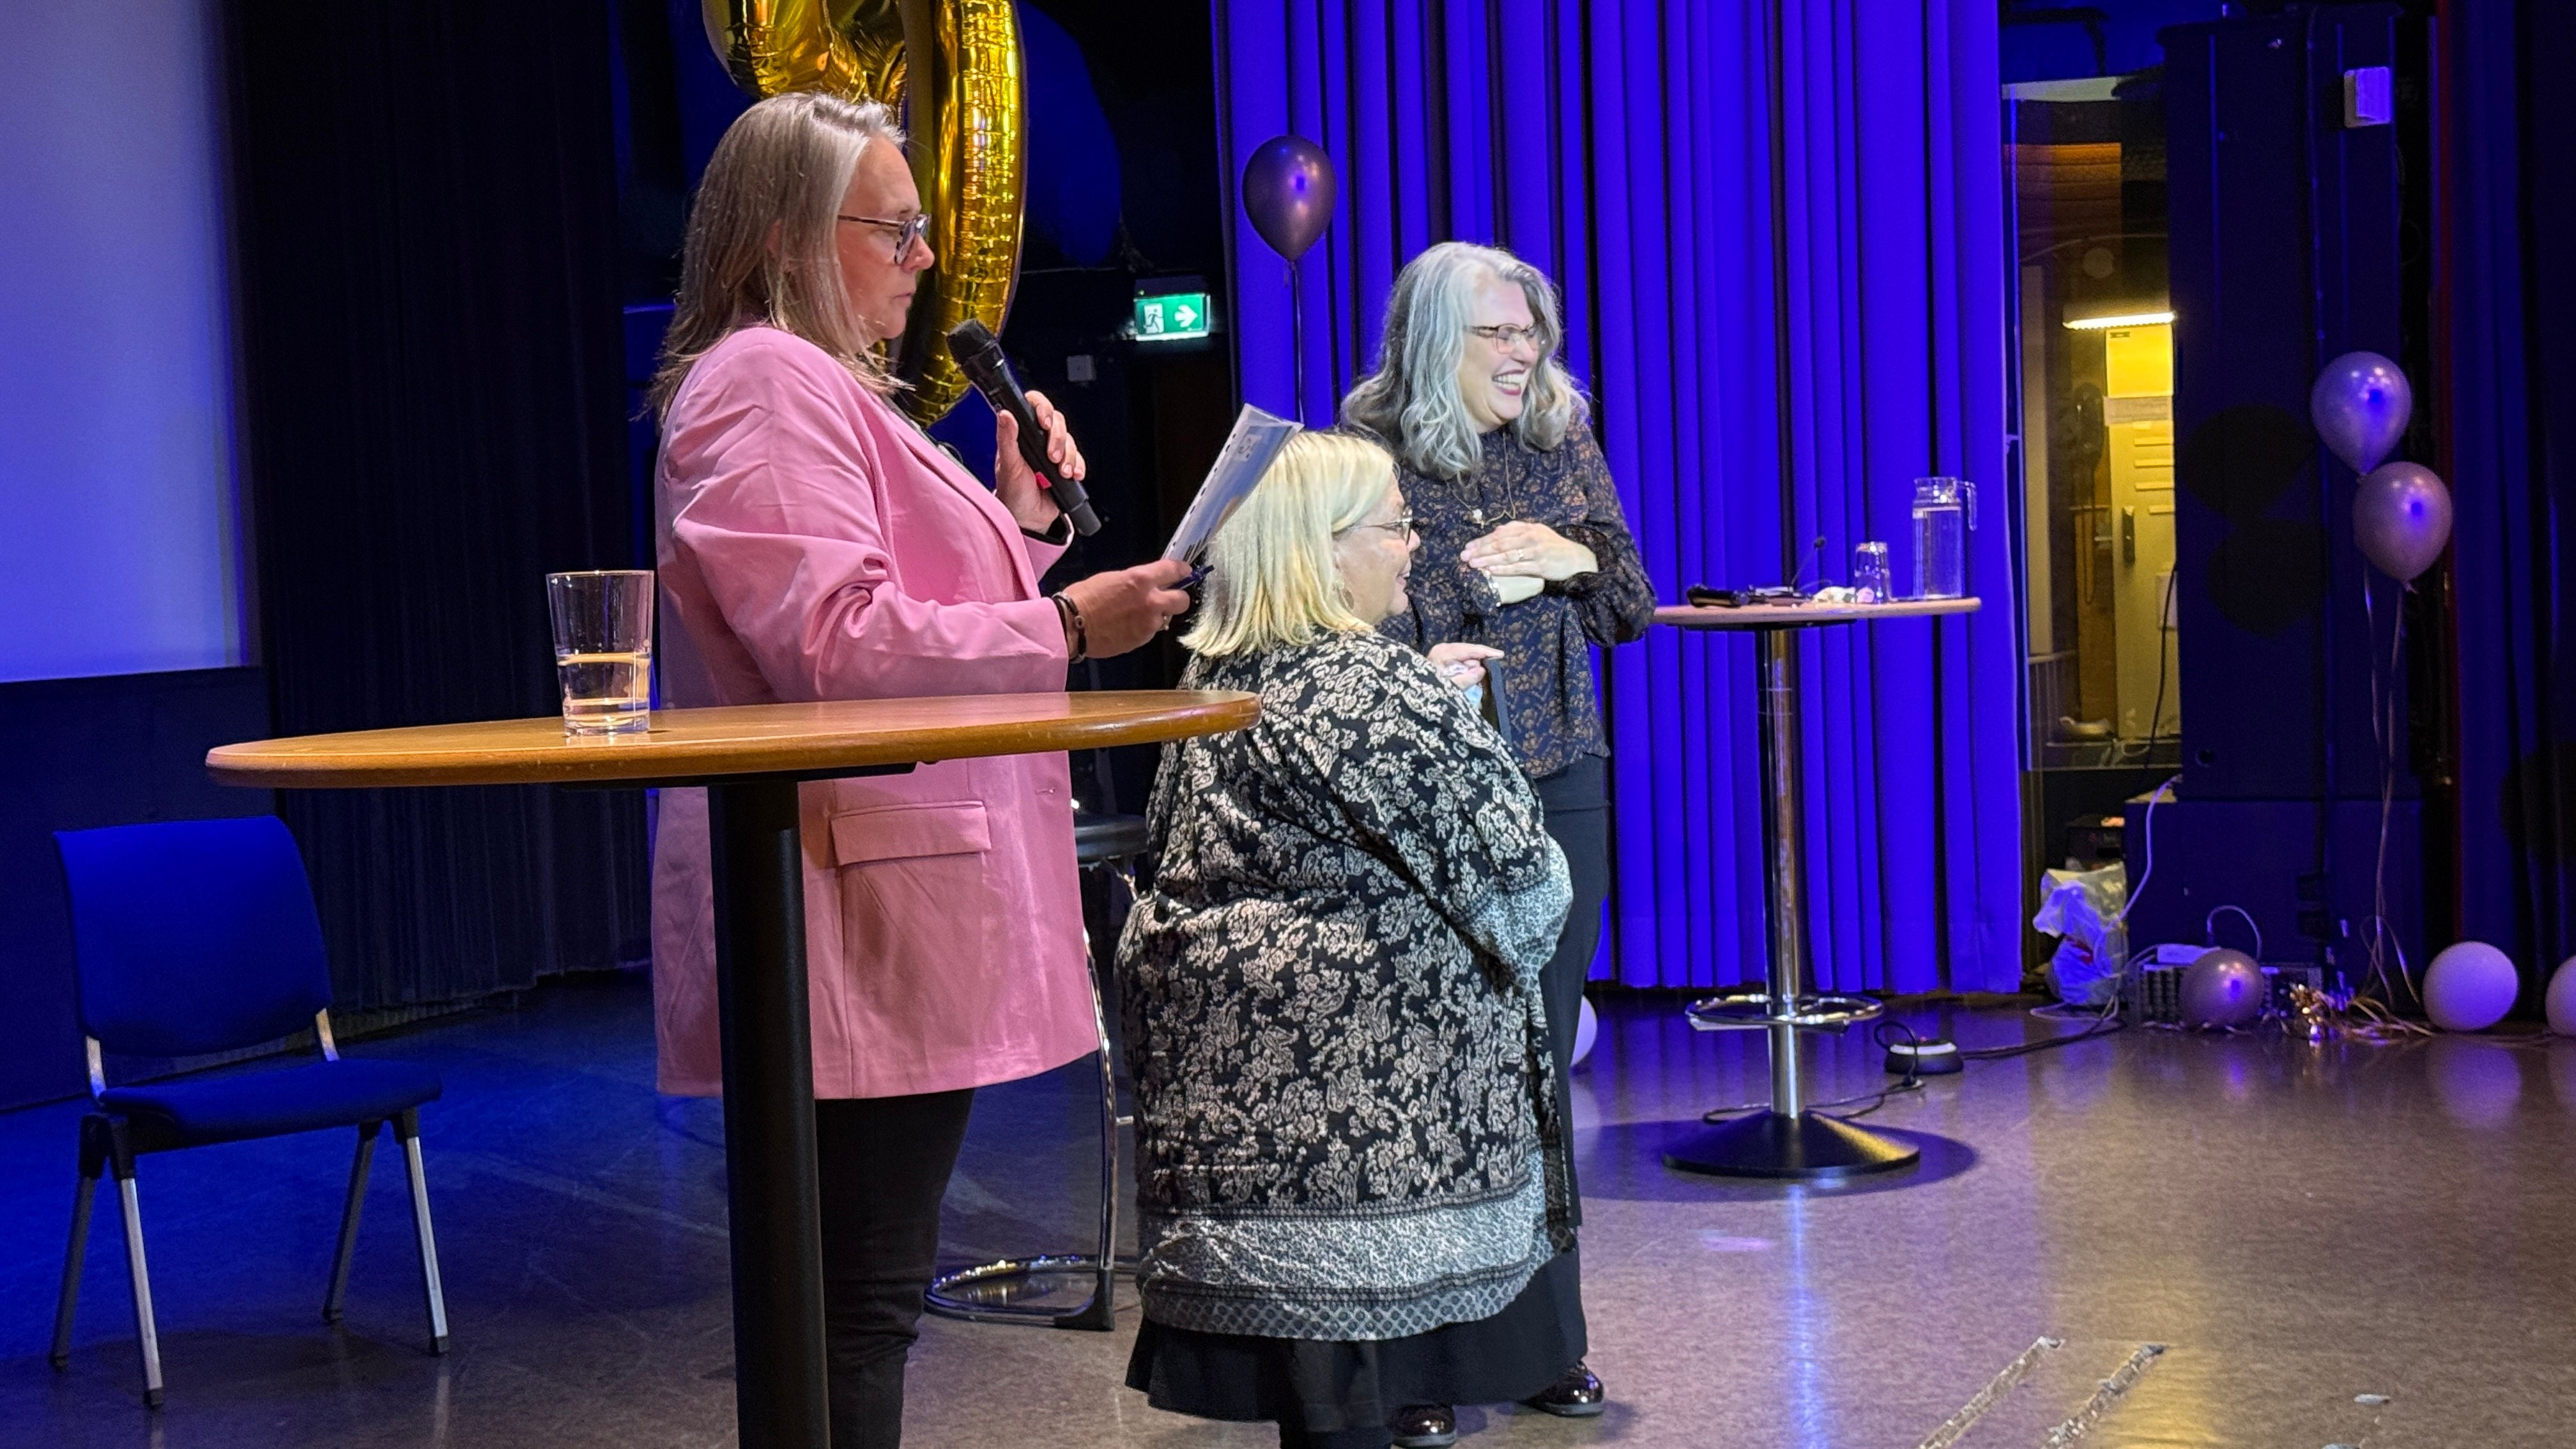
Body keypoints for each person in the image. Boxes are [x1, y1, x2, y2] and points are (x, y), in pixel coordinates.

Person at [643, 93, 1191, 1449]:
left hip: (882, 895)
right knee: (853, 1305)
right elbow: (835, 645)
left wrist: (1019, 523)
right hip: (842, 907)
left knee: (859, 1301)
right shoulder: (764, 380)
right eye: (895, 230)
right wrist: (1069, 626)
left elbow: (890, 615)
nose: (927, 259)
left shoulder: (827, 388)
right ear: (788, 237)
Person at [1117, 430, 1578, 1449]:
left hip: (1238, 1143)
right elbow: (1524, 896)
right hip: (1368, 1146)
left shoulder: (1211, 681)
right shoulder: (1368, 687)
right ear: (1321, 549)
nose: (1414, 546)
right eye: (1396, 526)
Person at [1340, 240, 1657, 1443]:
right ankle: (1413, 1362)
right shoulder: (1366, 447)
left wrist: (1575, 558)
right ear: (1437, 340)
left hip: (1558, 779)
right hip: (1424, 790)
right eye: (1500, 333)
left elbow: (1628, 605)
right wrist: (1422, 652)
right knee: (1434, 1069)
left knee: (1535, 1062)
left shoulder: (1559, 437)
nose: (1525, 352)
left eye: (1533, 331)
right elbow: (1329, 619)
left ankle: (1541, 1344)